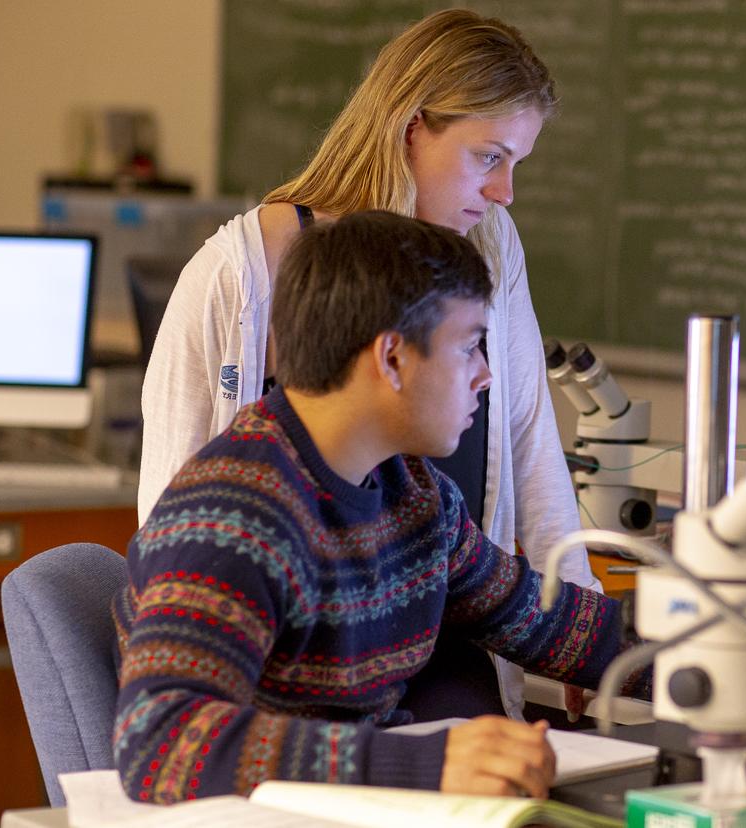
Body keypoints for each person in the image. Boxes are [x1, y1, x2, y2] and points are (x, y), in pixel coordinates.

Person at [139, 9, 595, 719]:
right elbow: (176, 518)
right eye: (489, 156)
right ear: (412, 126)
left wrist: (605, 627)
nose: (505, 191)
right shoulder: (238, 281)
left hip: (431, 644)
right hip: (288, 685)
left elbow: (530, 440)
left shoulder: (425, 509)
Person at [114, 212, 648, 804]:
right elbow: (161, 742)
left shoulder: (414, 494)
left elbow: (541, 621)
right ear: (392, 357)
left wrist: (729, 651)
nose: (486, 375)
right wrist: (424, 762)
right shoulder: (232, 518)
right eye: (470, 346)